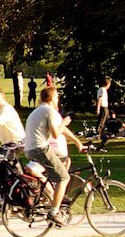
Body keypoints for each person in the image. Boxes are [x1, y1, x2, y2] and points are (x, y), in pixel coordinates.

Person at [25, 86, 84, 214]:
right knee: (64, 178)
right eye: (57, 97)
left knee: (64, 158)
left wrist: (77, 142)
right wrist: (64, 122)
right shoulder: (50, 111)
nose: (58, 99)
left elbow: (60, 129)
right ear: (52, 98)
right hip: (40, 149)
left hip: (30, 150)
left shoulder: (38, 111)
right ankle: (54, 211)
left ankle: (45, 191)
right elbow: (56, 133)